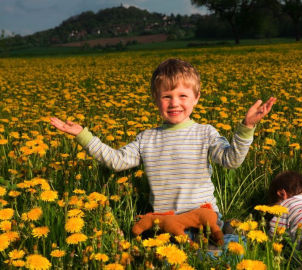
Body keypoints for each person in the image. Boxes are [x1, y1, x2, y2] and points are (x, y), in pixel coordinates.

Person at [50, 58, 276, 227]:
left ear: (196, 98)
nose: (174, 103)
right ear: (155, 100)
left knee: (215, 253)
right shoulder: (147, 138)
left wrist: (246, 127)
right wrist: (83, 135)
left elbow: (232, 161)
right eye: (167, 96)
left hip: (203, 215)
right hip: (166, 221)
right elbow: (116, 162)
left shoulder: (205, 133)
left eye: (182, 96)